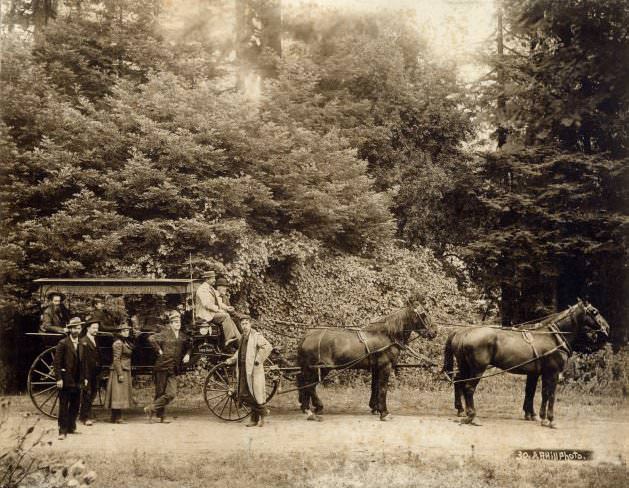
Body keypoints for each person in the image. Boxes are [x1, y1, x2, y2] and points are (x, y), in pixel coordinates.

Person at [225, 314, 273, 427]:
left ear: (250, 324)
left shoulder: (256, 336)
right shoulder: (243, 336)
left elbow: (267, 346)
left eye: (246, 323)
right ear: (240, 325)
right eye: (242, 324)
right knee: (244, 394)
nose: (244, 326)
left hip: (254, 371)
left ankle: (259, 417)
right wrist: (232, 359)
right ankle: (260, 415)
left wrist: (258, 359)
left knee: (255, 394)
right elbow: (240, 352)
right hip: (243, 370)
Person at [144, 311, 191, 423]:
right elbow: (151, 338)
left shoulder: (182, 336)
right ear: (171, 324)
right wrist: (159, 350)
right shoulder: (165, 333)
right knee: (160, 392)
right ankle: (161, 417)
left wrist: (188, 354)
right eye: (175, 322)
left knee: (171, 393)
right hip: (162, 366)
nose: (177, 324)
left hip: (173, 368)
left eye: (179, 322)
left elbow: (190, 345)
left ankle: (150, 408)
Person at [53, 317, 84, 439]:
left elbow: (84, 362)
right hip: (66, 379)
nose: (78, 330)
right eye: (75, 328)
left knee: (75, 405)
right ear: (70, 329)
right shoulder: (63, 343)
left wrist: (85, 377)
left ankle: (71, 427)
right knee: (64, 405)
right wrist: (59, 378)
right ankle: (62, 431)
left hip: (78, 379)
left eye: (79, 328)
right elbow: (57, 363)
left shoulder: (82, 343)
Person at [195, 270, 240, 347]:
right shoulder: (202, 289)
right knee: (225, 316)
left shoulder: (211, 288)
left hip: (212, 314)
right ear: (207, 279)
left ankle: (239, 339)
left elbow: (219, 302)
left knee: (229, 318)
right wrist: (218, 310)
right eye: (213, 278)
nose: (214, 280)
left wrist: (227, 307)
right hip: (205, 316)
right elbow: (207, 304)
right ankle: (229, 338)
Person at [103, 323, 134, 423]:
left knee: (119, 393)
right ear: (120, 332)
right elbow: (116, 360)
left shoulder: (124, 342)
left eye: (127, 330)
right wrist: (120, 374)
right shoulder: (118, 343)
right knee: (118, 394)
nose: (126, 332)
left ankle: (114, 417)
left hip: (124, 368)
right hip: (119, 370)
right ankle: (118, 418)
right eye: (124, 331)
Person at [78, 319, 101, 426]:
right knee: (87, 394)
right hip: (87, 372)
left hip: (95, 372)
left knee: (93, 393)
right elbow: (82, 360)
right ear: (88, 328)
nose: (96, 330)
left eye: (97, 328)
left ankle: (86, 414)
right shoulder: (83, 341)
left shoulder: (95, 339)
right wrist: (85, 376)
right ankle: (85, 418)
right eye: (94, 328)